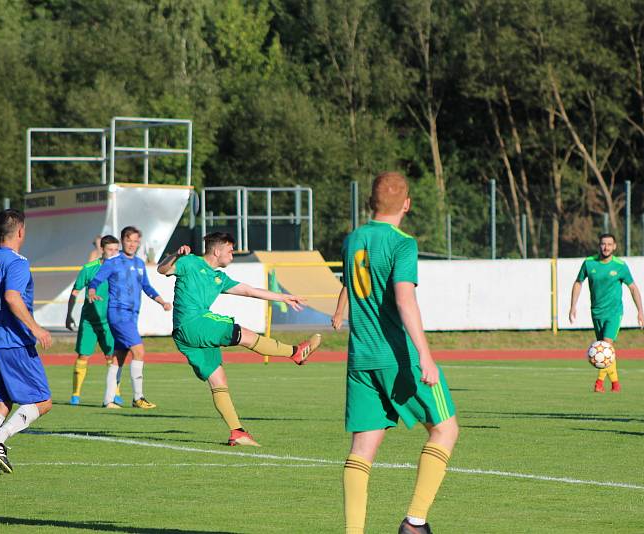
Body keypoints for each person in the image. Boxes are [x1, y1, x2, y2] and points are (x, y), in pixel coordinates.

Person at [332, 171, 459, 534]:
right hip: (397, 356)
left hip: (360, 358)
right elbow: (405, 298)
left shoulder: (353, 239)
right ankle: (414, 523)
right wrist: (426, 355)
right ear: (407, 204)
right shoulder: (403, 243)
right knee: (445, 429)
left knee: (362, 450)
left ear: (371, 202)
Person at [157, 233, 321, 446]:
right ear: (217, 251)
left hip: (185, 335)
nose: (232, 255)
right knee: (242, 333)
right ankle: (295, 352)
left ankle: (237, 431)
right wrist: (175, 256)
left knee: (218, 380)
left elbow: (249, 291)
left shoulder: (219, 278)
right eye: (230, 250)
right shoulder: (189, 262)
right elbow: (162, 269)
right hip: (194, 322)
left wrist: (283, 297)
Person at [0, 209, 53, 475]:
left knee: (0, 405)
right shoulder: (17, 262)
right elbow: (12, 297)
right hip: (14, 343)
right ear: (20, 231)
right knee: (43, 402)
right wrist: (36, 328)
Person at [88, 226, 171, 409]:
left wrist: (162, 302)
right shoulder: (113, 262)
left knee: (119, 356)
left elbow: (147, 287)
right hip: (118, 313)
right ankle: (138, 397)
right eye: (129, 240)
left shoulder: (140, 264)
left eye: (135, 241)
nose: (132, 244)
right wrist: (92, 291)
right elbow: (95, 280)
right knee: (139, 351)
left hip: (132, 315)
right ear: (122, 241)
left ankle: (108, 400)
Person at [569, 233, 644, 393]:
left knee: (606, 345)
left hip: (614, 313)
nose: (606, 247)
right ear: (599, 245)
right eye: (603, 244)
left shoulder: (620, 266)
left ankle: (599, 382)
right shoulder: (589, 263)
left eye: (609, 244)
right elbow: (578, 283)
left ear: (614, 246)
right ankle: (615, 383)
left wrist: (640, 311)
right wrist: (572, 306)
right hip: (596, 313)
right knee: (605, 351)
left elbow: (633, 288)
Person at [65, 235, 124, 406]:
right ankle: (75, 395)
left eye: (116, 250)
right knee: (83, 355)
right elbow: (75, 292)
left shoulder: (121, 269)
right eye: (110, 249)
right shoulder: (89, 268)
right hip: (89, 321)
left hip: (110, 322)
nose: (114, 253)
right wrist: (68, 315)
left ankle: (116, 393)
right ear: (102, 249)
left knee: (112, 357)